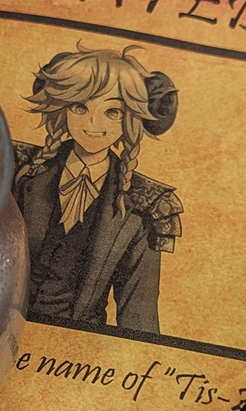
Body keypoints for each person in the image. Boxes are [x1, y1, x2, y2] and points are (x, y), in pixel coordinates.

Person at [11, 46, 182, 335]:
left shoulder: (147, 205)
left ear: (132, 119)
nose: (93, 124)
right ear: (62, 108)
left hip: (78, 354)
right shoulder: (20, 171)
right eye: (81, 107)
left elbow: (139, 317)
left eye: (113, 112)